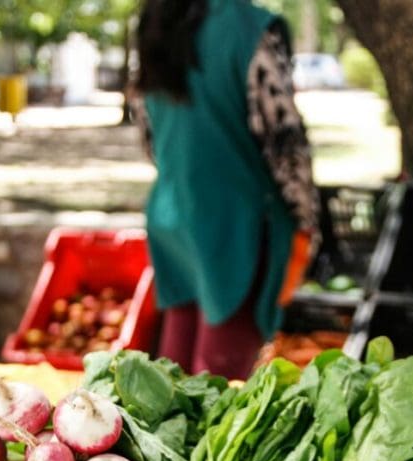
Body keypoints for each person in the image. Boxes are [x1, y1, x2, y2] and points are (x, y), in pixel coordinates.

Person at [132, 0, 319, 380]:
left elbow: (148, 132)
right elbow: (283, 142)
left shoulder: (157, 20)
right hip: (237, 223)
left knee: (174, 374)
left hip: (175, 213)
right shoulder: (252, 28)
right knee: (218, 380)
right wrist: (307, 219)